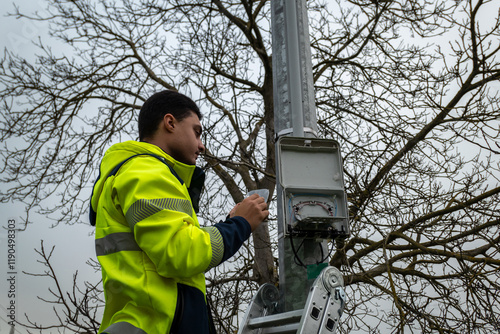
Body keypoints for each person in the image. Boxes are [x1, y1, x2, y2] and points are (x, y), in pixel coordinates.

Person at [89, 90, 269, 334]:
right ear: (170, 122)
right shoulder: (146, 170)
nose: (201, 146)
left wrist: (229, 222)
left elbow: (172, 246)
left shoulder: (140, 173)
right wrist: (240, 224)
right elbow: (182, 251)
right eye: (196, 132)